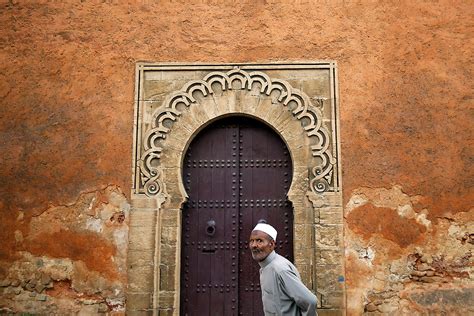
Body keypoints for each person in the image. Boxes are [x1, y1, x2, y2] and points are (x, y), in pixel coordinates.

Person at [249, 223, 318, 316]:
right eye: (251, 241)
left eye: (259, 241)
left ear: (272, 244)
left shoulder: (280, 269)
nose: (254, 245)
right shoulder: (265, 267)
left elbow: (310, 301)